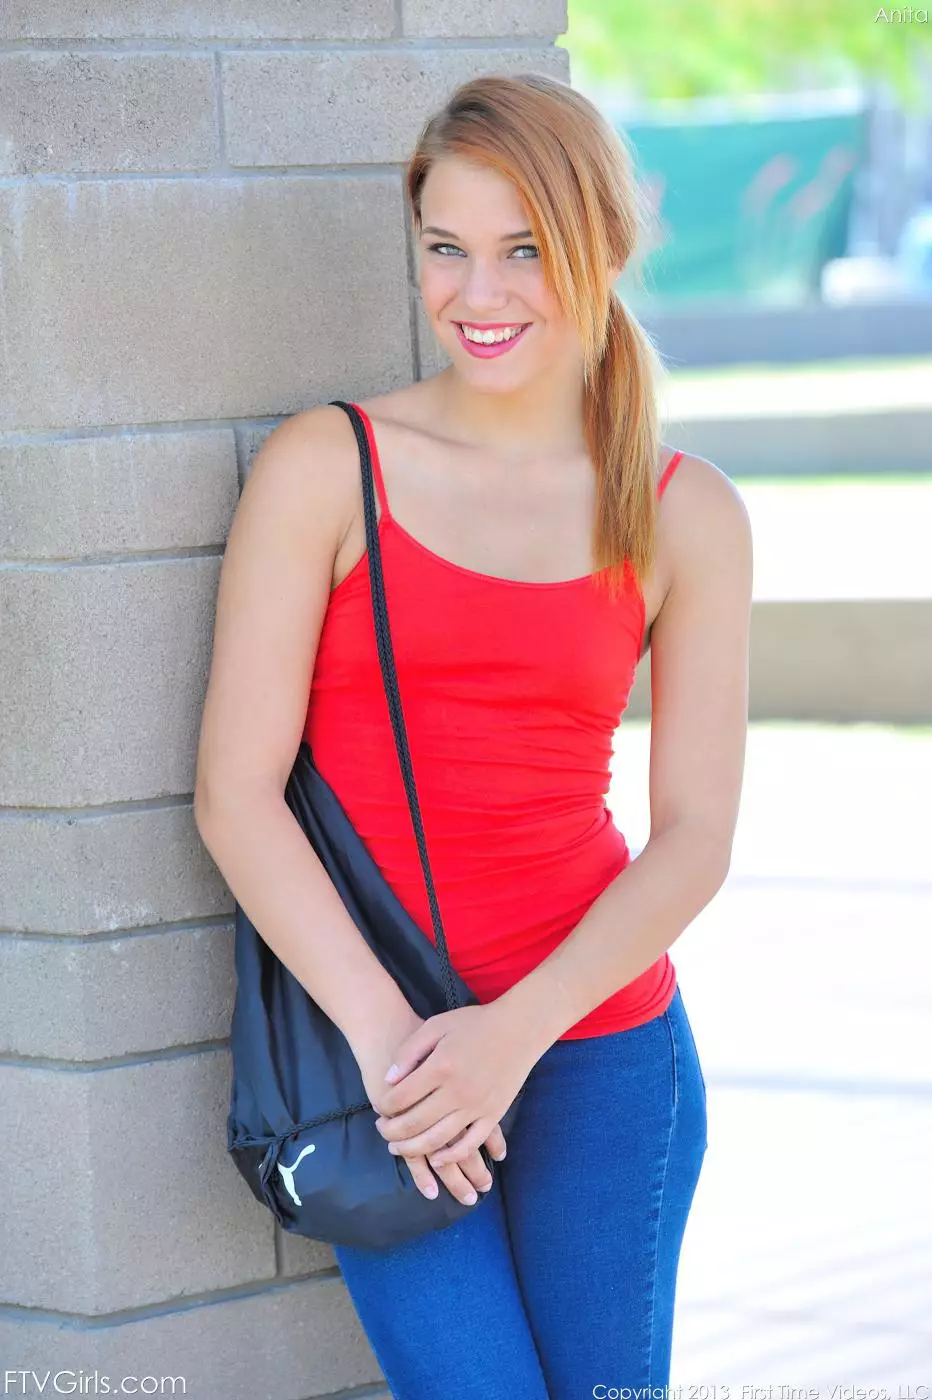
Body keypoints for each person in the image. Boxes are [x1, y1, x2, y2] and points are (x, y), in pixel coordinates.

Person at [194, 72, 752, 1400]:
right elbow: (236, 795)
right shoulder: (328, 467)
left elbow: (694, 839)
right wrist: (405, 1051)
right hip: (391, 1064)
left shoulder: (687, 512)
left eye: (524, 252)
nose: (478, 293)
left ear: (600, 247)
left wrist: (515, 1034)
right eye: (446, 247)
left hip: (607, 1055)